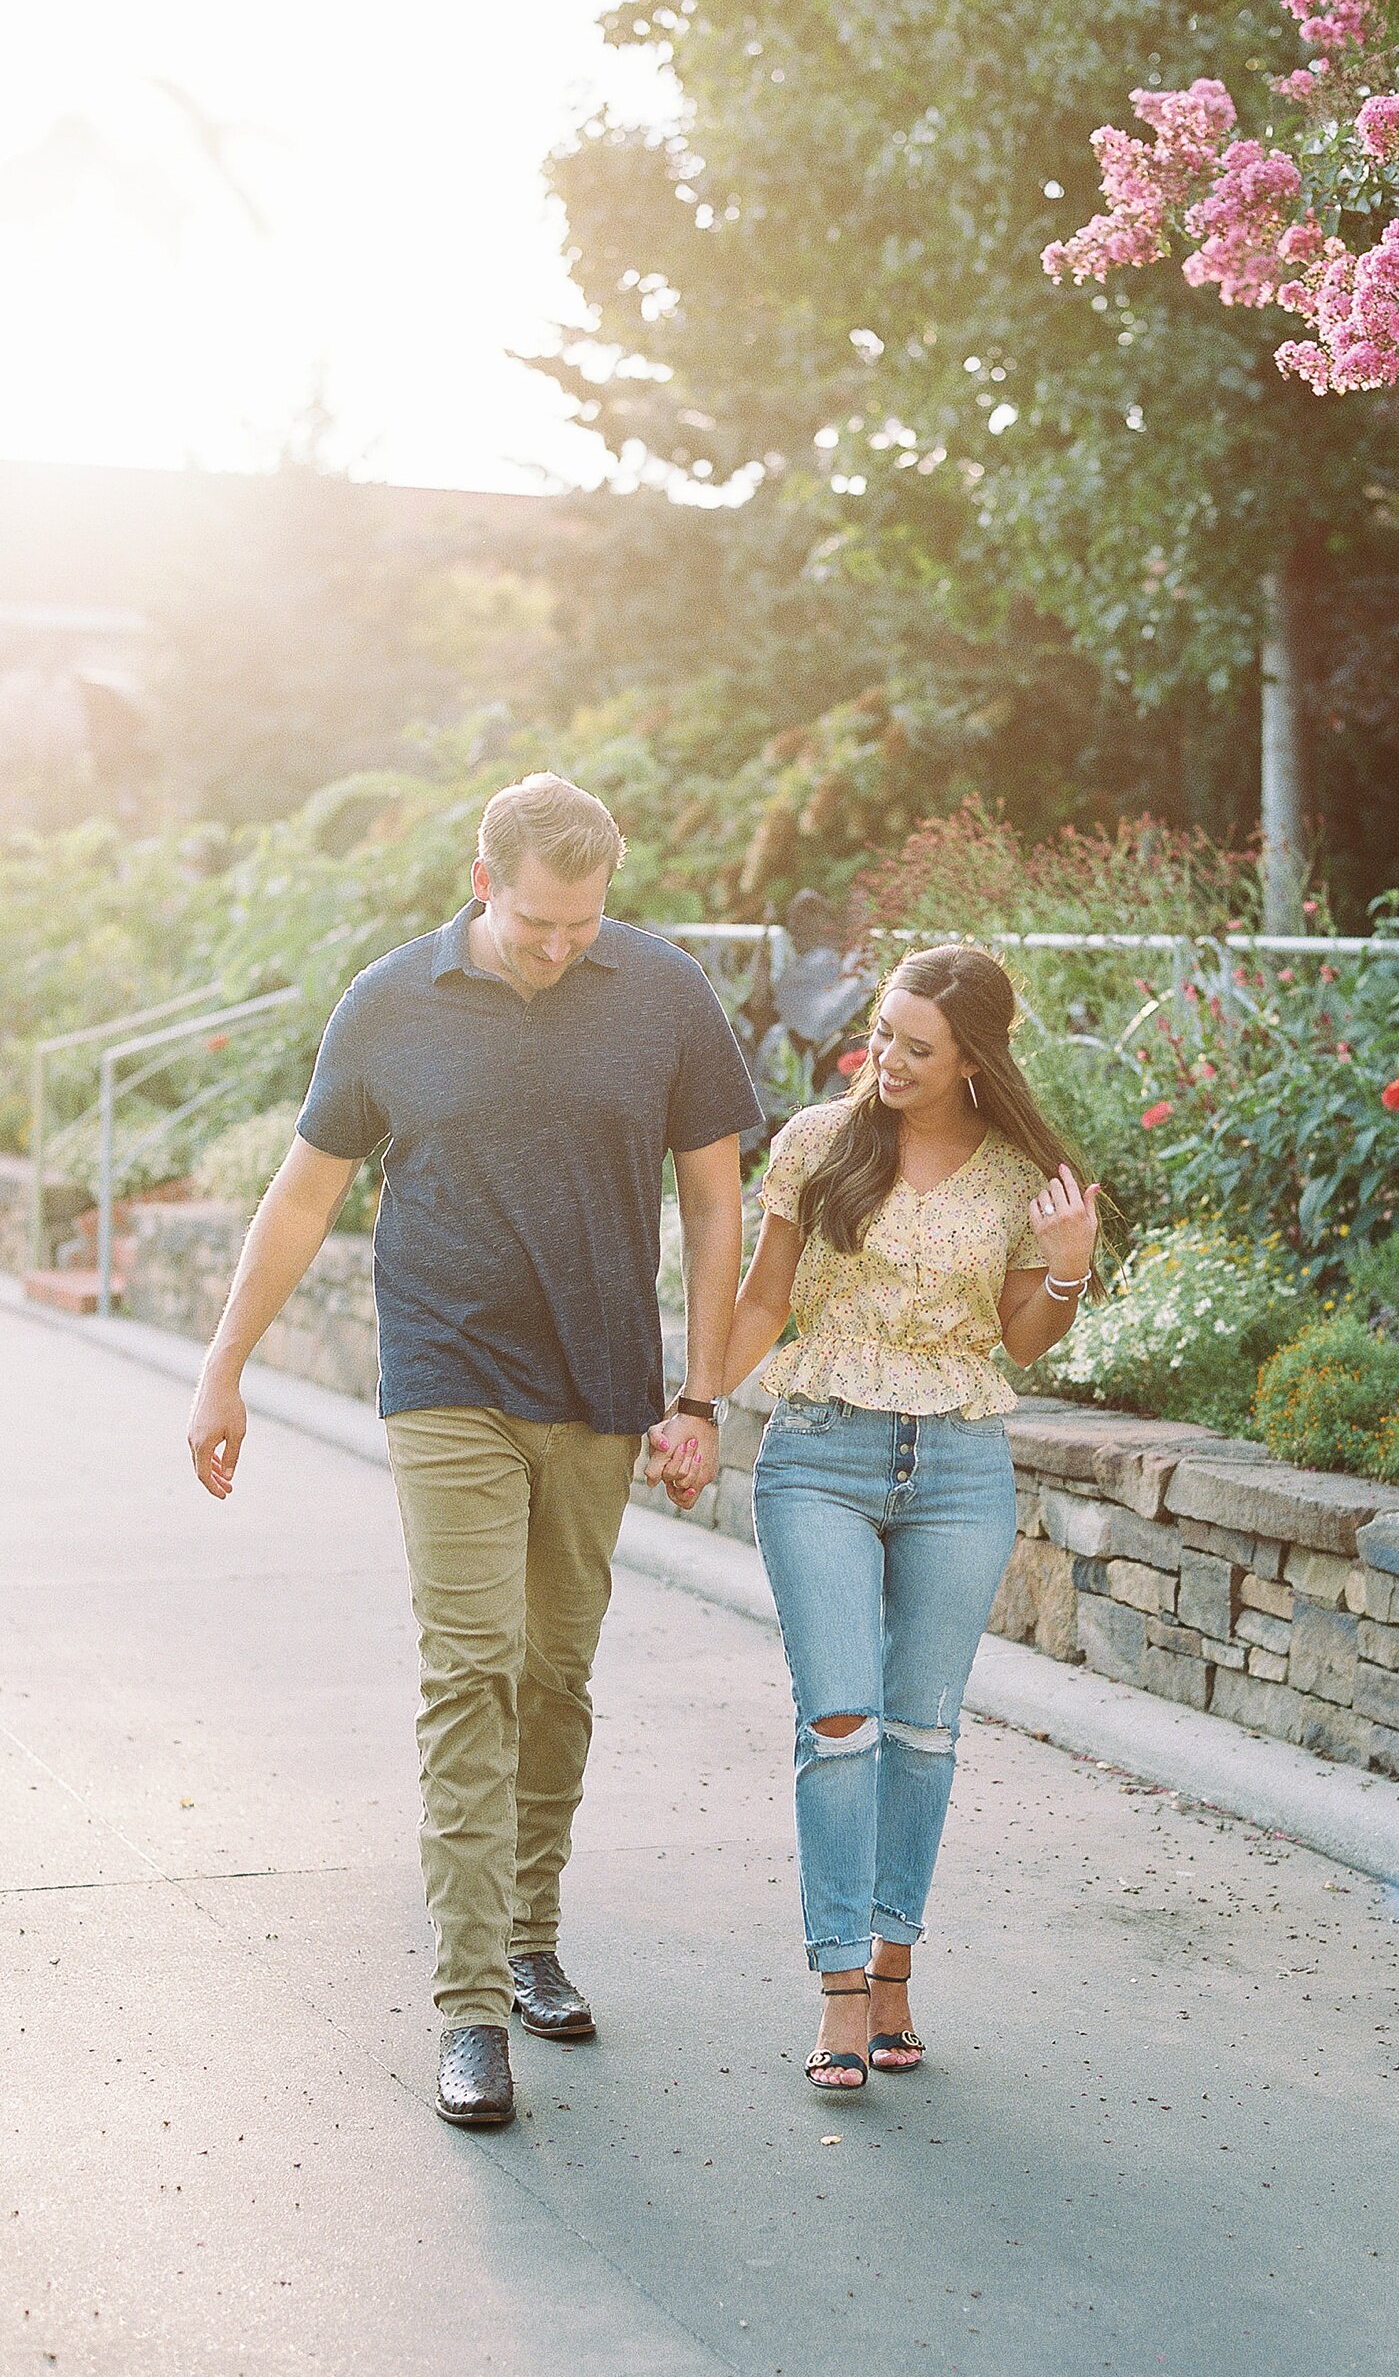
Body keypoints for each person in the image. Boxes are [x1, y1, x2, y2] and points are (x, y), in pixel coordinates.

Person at [185, 774, 761, 2129]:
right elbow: (306, 1188)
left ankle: (530, 1930)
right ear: (481, 873)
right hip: (445, 1374)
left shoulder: (664, 991)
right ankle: (468, 2007)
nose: (561, 944)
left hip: (606, 1383)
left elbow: (716, 1197)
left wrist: (702, 1391)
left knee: (556, 1670)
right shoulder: (392, 998)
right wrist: (224, 1365)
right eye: (537, 919)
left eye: (584, 921)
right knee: (471, 1666)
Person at [669, 944, 1101, 2091]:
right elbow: (765, 1295)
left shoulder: (1021, 1172)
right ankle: (842, 1986)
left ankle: (898, 1960)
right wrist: (694, 1402)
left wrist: (1066, 1269)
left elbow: (1020, 1337)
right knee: (841, 1720)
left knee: (923, 1727)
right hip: (820, 1454)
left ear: (973, 1058)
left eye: (918, 1046)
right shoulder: (820, 1141)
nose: (886, 1058)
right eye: (882, 1032)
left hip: (960, 1460)